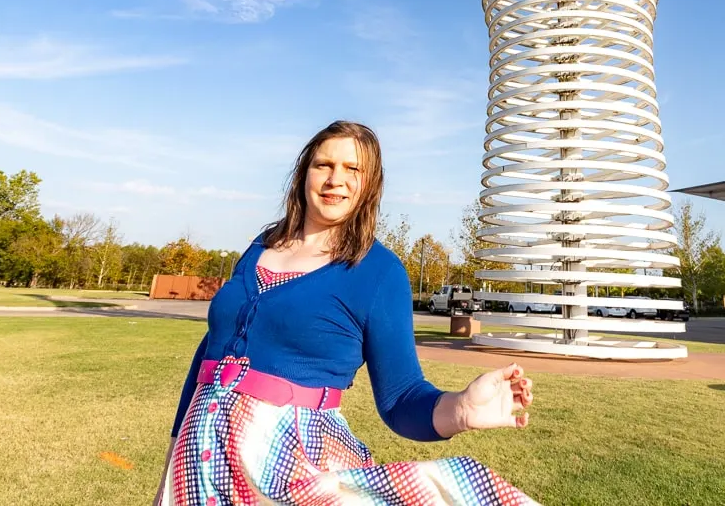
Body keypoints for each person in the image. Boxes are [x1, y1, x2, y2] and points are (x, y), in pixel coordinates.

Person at [156, 120, 539, 506]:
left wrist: (461, 409)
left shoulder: (378, 272)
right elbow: (212, 352)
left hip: (289, 468)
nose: (334, 179)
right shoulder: (261, 245)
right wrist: (170, 470)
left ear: (369, 184)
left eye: (352, 169)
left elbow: (401, 397)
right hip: (197, 462)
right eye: (324, 165)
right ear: (304, 172)